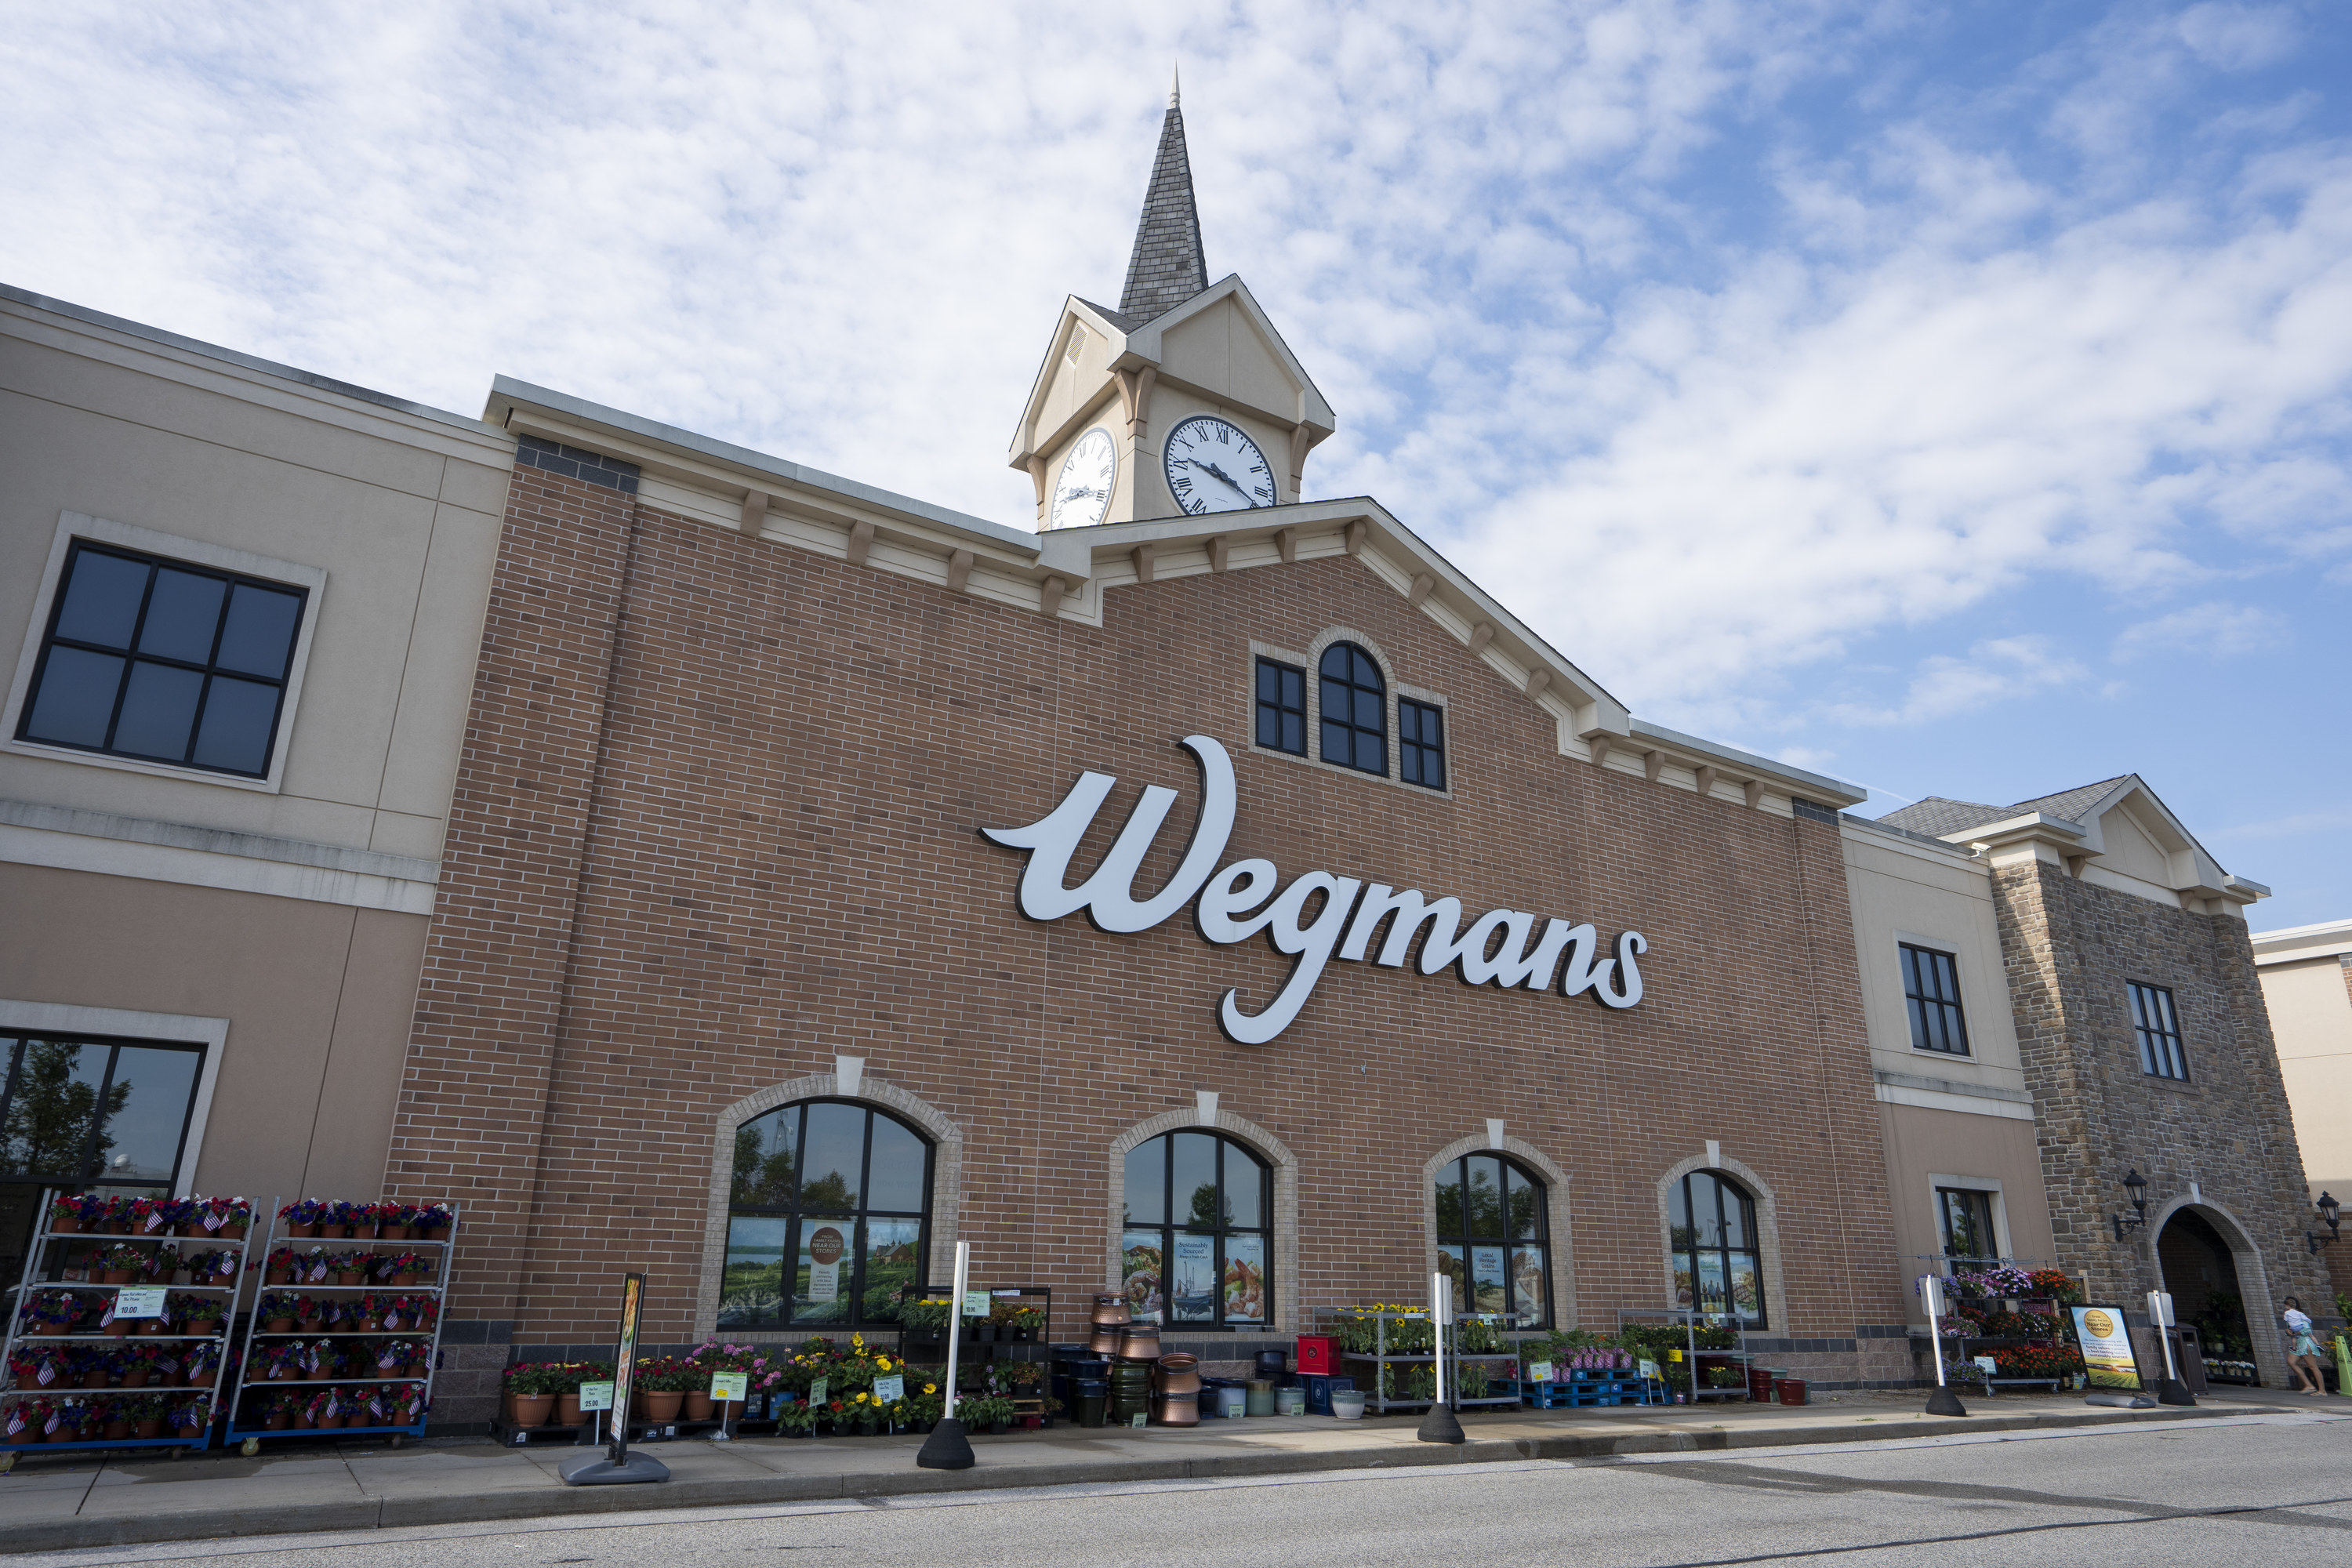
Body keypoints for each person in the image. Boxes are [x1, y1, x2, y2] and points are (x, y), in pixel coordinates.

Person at [2281, 1298, 2327, 1394]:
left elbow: (2307, 1331)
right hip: (2298, 1344)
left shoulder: (2301, 1317)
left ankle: (2322, 1390)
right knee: (2291, 1361)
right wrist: (2288, 1332)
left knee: (2312, 1366)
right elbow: (2291, 1331)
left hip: (2306, 1343)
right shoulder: (2291, 1317)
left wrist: (2294, 1332)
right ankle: (2309, 1385)